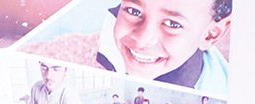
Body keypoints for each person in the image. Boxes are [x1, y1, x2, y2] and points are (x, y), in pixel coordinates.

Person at [97, 0, 232, 93]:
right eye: (134, 11)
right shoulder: (111, 23)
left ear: (211, 34)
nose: (141, 41)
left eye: (173, 24)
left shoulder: (220, 94)